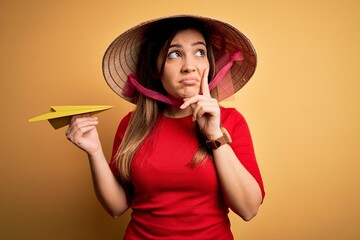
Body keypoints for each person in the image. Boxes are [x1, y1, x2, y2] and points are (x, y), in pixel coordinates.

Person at [65, 15, 265, 239]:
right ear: (154, 69)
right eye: (175, 54)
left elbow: (249, 210)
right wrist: (94, 151)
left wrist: (215, 136)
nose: (189, 66)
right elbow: (116, 207)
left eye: (199, 52)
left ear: (209, 63)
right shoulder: (131, 126)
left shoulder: (231, 121)